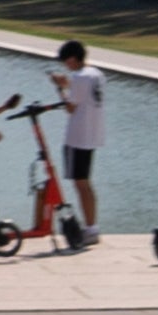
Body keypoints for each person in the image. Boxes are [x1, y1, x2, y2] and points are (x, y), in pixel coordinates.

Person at [47, 41, 106, 246]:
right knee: (86, 183)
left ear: (72, 58)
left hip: (78, 137)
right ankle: (92, 226)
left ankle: (90, 229)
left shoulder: (78, 77)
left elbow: (70, 108)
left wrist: (59, 89)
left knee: (80, 184)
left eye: (65, 61)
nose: (65, 65)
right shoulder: (96, 74)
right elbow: (84, 92)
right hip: (92, 136)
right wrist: (67, 84)